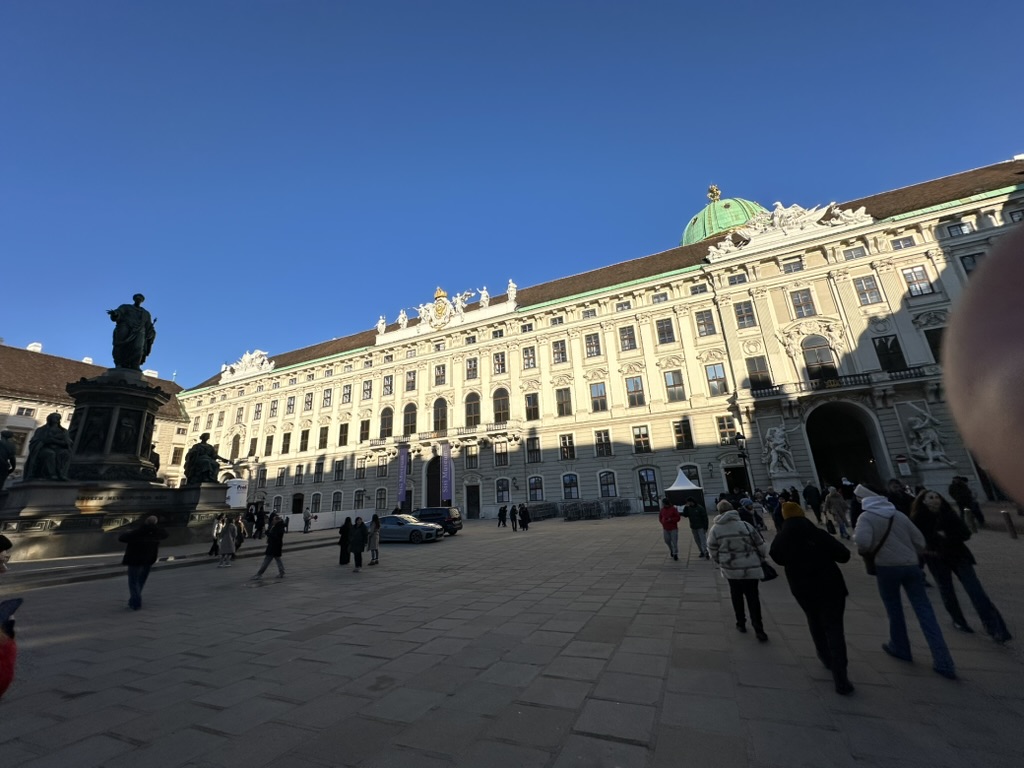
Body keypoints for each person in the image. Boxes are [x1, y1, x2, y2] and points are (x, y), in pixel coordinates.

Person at [853, 485, 956, 679]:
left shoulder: (866, 517)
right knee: (925, 611)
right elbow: (919, 541)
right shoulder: (899, 515)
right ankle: (944, 661)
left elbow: (863, 543)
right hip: (911, 567)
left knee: (894, 608)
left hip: (886, 568)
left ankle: (900, 646)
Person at [770, 501, 854, 695]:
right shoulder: (818, 534)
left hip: (803, 589)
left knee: (814, 620)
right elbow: (844, 555)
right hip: (831, 587)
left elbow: (777, 557)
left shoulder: (782, 538)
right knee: (835, 628)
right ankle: (841, 675)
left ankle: (824, 656)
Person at [910, 490, 1011, 642]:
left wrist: (947, 537)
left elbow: (965, 533)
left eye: (937, 497)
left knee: (976, 591)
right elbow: (918, 541)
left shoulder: (949, 514)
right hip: (937, 559)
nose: (935, 500)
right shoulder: (918, 519)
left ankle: (995, 627)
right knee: (947, 591)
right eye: (930, 497)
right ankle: (958, 620)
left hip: (959, 556)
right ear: (923, 501)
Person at [708, 501, 770, 642]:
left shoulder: (716, 529)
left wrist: (721, 561)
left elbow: (712, 549)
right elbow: (761, 545)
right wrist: (759, 558)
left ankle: (740, 623)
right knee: (753, 597)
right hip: (750, 568)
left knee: (736, 596)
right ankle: (758, 628)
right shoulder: (745, 526)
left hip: (731, 569)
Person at [118, 515, 168, 610]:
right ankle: (134, 598)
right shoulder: (156, 533)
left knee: (133, 581)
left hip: (135, 560)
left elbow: (122, 538)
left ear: (145, 522)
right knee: (141, 580)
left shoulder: (137, 532)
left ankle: (136, 600)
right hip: (148, 559)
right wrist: (155, 527)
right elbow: (165, 534)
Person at [107, 293, 156, 370]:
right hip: (126, 327)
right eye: (137, 298)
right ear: (134, 299)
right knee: (121, 346)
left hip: (139, 331)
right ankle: (119, 363)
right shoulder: (126, 307)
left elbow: (148, 326)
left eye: (140, 299)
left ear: (142, 301)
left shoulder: (146, 314)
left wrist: (151, 333)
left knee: (138, 347)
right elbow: (119, 312)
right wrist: (115, 314)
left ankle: (135, 365)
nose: (139, 300)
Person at [23, 413, 73, 481]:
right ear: (49, 419)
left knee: (65, 453)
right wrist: (45, 441)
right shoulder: (41, 430)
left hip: (59, 448)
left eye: (58, 418)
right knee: (50, 453)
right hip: (43, 449)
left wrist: (54, 441)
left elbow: (67, 442)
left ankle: (61, 474)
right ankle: (51, 474)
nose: (56, 419)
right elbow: (35, 441)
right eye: (54, 417)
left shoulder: (63, 431)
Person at [252, 514, 286, 580]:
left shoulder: (278, 527)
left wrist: (268, 533)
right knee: (278, 559)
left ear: (277, 520)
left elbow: (275, 536)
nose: (272, 521)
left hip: (274, 546)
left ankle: (259, 574)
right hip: (276, 546)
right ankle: (282, 572)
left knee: (266, 561)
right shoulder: (277, 526)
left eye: (273, 520)